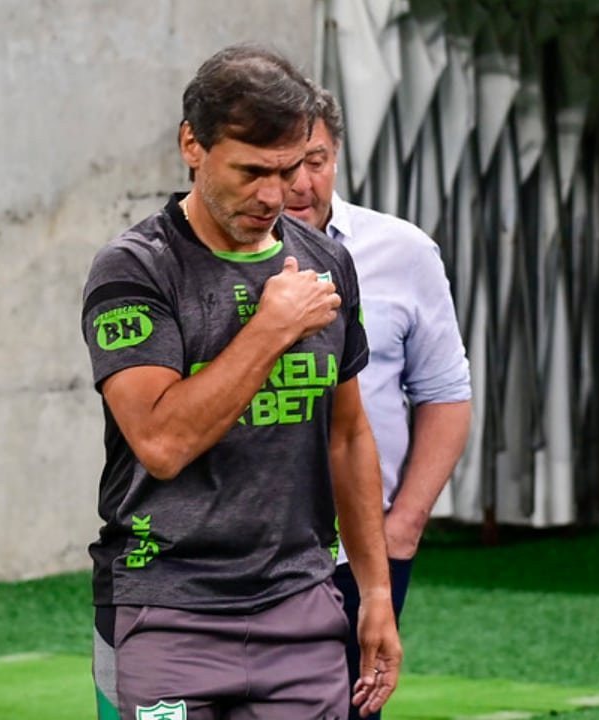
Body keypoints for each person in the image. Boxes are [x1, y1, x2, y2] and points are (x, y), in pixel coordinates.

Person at [81, 45, 402, 720]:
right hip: (164, 611)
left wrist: (375, 593)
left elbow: (347, 437)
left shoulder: (326, 263)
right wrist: (271, 327)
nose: (274, 196)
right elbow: (162, 443)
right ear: (192, 146)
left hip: (302, 610)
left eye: (290, 169)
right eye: (252, 171)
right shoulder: (136, 269)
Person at [285, 85, 473, 720]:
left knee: (352, 709)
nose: (301, 183)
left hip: (361, 552)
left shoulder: (403, 251)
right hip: (240, 555)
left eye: (316, 161)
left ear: (337, 155)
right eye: (285, 165)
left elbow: (445, 393)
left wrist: (404, 527)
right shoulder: (198, 260)